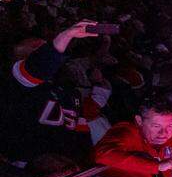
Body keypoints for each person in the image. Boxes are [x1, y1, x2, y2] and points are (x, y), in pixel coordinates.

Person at [3, 20, 101, 162]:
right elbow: (37, 67)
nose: (48, 50)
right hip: (30, 169)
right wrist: (65, 36)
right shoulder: (13, 83)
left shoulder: (69, 91)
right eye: (37, 49)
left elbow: (81, 133)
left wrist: (87, 163)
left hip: (69, 167)